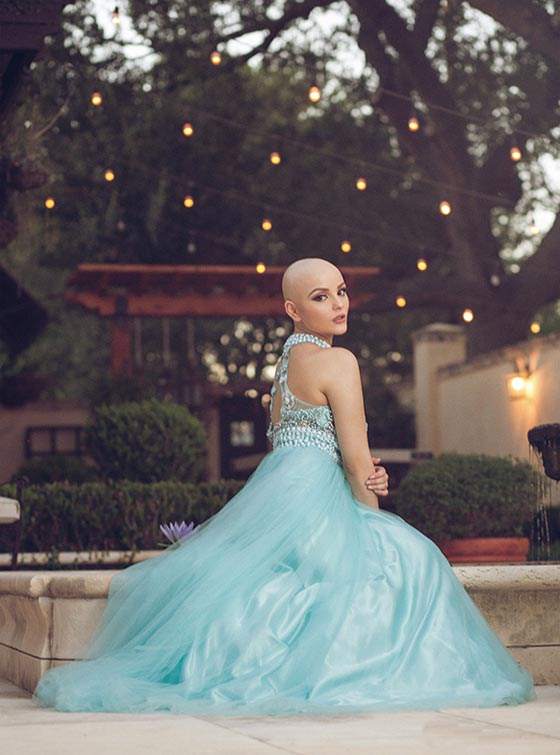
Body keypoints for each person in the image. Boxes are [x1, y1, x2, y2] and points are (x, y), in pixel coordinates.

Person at [34, 257, 534, 715]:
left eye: (340, 291)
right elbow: (354, 457)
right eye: (321, 296)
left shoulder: (287, 365)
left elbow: (301, 442)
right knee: (411, 561)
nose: (338, 304)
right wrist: (372, 517)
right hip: (313, 493)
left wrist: (358, 471)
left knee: (283, 580)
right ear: (293, 310)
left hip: (283, 489)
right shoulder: (339, 361)